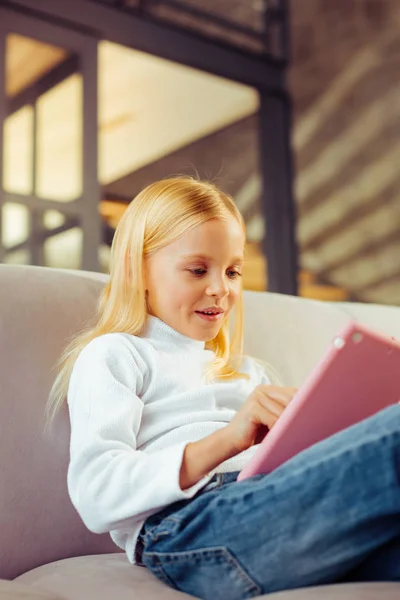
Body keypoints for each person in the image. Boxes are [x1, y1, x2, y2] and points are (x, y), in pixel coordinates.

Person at [47, 177, 400, 600]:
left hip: (279, 509)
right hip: (191, 528)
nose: (221, 288)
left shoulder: (250, 373)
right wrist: (230, 437)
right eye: (198, 270)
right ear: (138, 269)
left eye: (233, 271)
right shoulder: (117, 354)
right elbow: (96, 492)